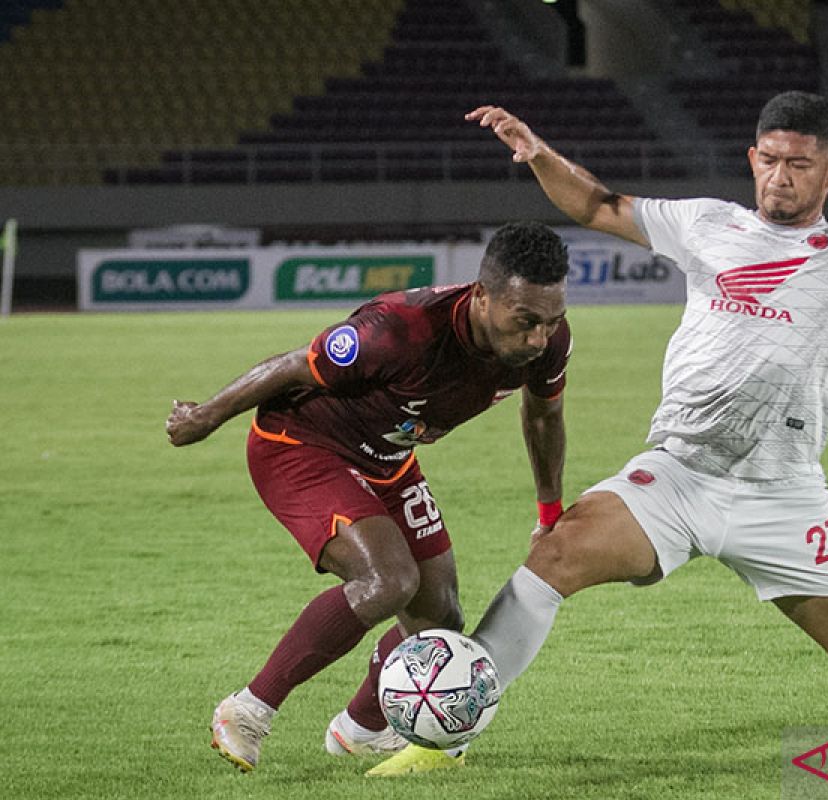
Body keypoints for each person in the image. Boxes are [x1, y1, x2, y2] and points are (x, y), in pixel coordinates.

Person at [363, 27, 828, 777]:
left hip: (783, 493)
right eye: (770, 159)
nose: (780, 176)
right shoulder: (707, 225)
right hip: (679, 475)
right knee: (552, 558)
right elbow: (598, 205)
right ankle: (442, 742)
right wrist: (537, 152)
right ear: (753, 157)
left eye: (800, 164)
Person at [165, 221, 572, 773]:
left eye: (550, 321)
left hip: (387, 459)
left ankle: (359, 729)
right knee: (389, 580)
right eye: (525, 321)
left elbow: (544, 418)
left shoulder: (547, 343)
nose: (537, 339)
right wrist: (206, 416)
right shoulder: (400, 329)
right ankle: (248, 710)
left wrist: (549, 511)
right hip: (301, 445)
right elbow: (293, 365)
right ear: (482, 296)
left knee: (438, 617)